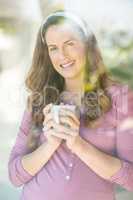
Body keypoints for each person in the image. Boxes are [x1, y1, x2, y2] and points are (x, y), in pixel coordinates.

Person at [8, 10, 133, 200]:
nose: (62, 55)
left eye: (70, 44)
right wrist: (50, 144)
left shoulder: (119, 97)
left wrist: (78, 144)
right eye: (53, 48)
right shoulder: (39, 100)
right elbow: (14, 176)